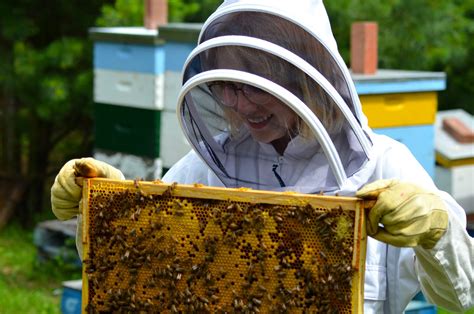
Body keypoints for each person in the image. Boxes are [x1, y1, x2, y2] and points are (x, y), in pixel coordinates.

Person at [51, 0, 473, 312]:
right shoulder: (210, 166)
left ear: (302, 80)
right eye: (228, 84)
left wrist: (439, 228)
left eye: (256, 85)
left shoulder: (384, 166)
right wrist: (108, 205)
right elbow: (134, 269)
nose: (240, 104)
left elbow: (461, 297)